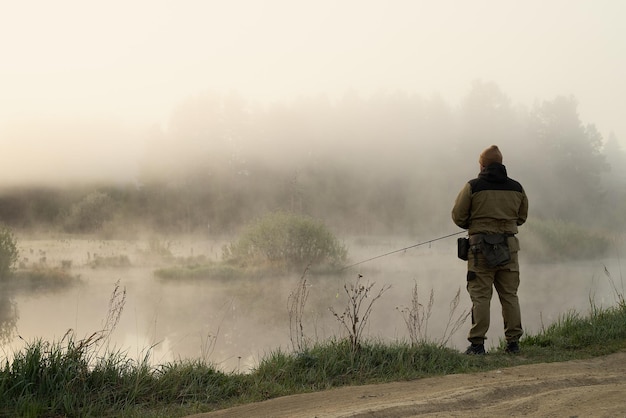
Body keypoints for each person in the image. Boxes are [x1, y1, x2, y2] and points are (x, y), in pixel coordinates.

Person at [451, 145, 529, 355]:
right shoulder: (517, 188)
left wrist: (477, 224)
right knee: (510, 296)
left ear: (482, 164)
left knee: (481, 298)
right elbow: (521, 218)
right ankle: (513, 344)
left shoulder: (473, 186)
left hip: (479, 251)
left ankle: (477, 345)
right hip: (509, 250)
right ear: (501, 163)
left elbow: (458, 216)